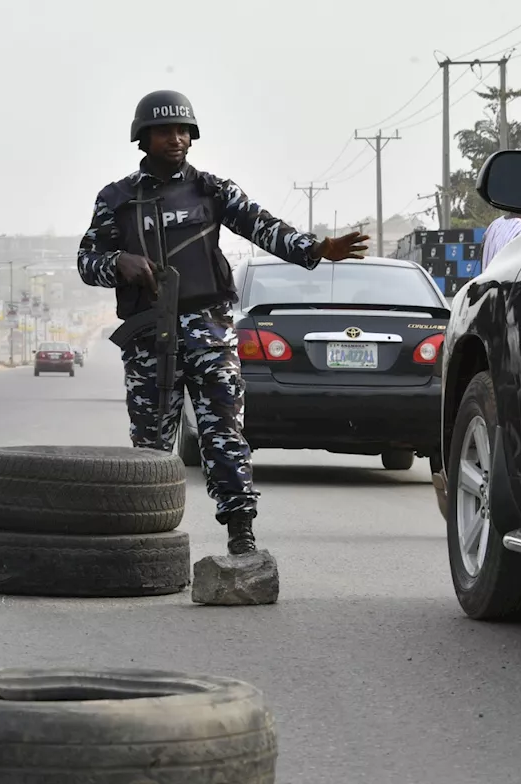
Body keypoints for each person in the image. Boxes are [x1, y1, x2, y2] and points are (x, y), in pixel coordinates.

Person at [77, 90, 368, 556]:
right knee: (150, 445)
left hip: (210, 333)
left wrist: (315, 249)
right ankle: (146, 537)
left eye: (183, 130)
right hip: (150, 337)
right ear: (143, 138)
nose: (176, 139)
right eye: (165, 131)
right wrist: (119, 263)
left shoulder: (213, 191)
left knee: (224, 436)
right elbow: (86, 262)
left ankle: (240, 531)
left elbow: (263, 227)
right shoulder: (117, 199)